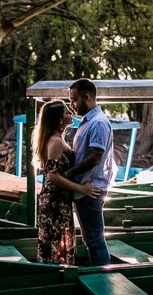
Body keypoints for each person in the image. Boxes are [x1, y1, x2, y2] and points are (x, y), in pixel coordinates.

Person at [32, 100, 101, 265]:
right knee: (54, 243)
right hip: (54, 200)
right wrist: (82, 189)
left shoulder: (58, 139)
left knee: (58, 241)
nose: (70, 112)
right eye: (66, 111)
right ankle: (54, 276)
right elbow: (52, 176)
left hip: (60, 199)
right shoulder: (55, 141)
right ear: (59, 119)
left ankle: (58, 274)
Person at [64, 78, 116, 265]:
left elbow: (95, 157)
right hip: (83, 189)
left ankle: (103, 277)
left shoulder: (98, 123)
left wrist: (69, 174)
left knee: (95, 241)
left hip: (90, 190)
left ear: (87, 97)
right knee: (90, 240)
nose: (72, 105)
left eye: (74, 100)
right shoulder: (87, 122)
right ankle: (99, 271)